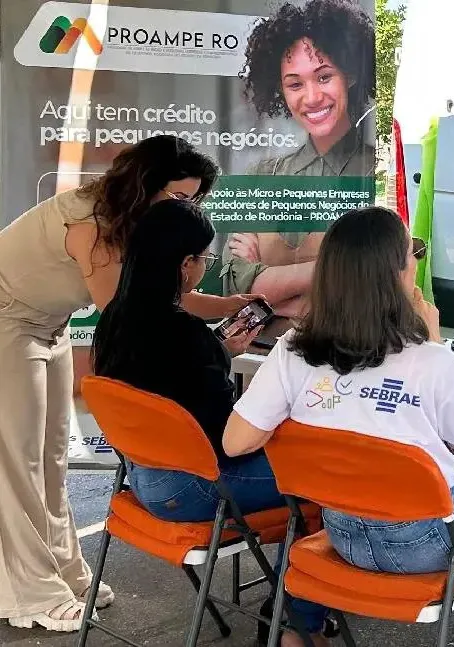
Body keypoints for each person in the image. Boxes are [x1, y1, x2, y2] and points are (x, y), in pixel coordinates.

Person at [0, 135, 260, 632]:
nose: (184, 208)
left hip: (47, 324)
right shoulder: (92, 225)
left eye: (193, 200)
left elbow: (154, 291)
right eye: (178, 197)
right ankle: (31, 594)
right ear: (146, 185)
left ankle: (65, 572)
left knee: (52, 458)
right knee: (16, 461)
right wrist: (209, 346)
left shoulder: (132, 221)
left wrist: (228, 306)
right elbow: (135, 309)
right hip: (7, 320)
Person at [222, 206, 454, 647]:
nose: (417, 261)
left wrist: (297, 427)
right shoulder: (431, 360)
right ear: (397, 273)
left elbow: (235, 441)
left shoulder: (293, 349)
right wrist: (434, 343)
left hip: (342, 535)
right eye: (413, 252)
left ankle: (299, 629)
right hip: (426, 544)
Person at [91, 199, 330, 647]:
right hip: (196, 489)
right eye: (204, 258)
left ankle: (290, 609)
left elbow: (173, 388)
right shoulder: (186, 335)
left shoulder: (115, 320)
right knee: (322, 481)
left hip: (141, 481)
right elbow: (230, 442)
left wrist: (219, 352)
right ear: (185, 265)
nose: (205, 266)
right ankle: (292, 621)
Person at [222, 0, 377, 322]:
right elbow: (234, 288)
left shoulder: (376, 172)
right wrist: (339, 268)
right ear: (280, 90)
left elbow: (374, 289)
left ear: (349, 75)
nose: (312, 97)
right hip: (259, 352)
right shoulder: (260, 177)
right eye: (295, 84)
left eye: (324, 77)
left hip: (350, 351)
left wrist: (272, 293)